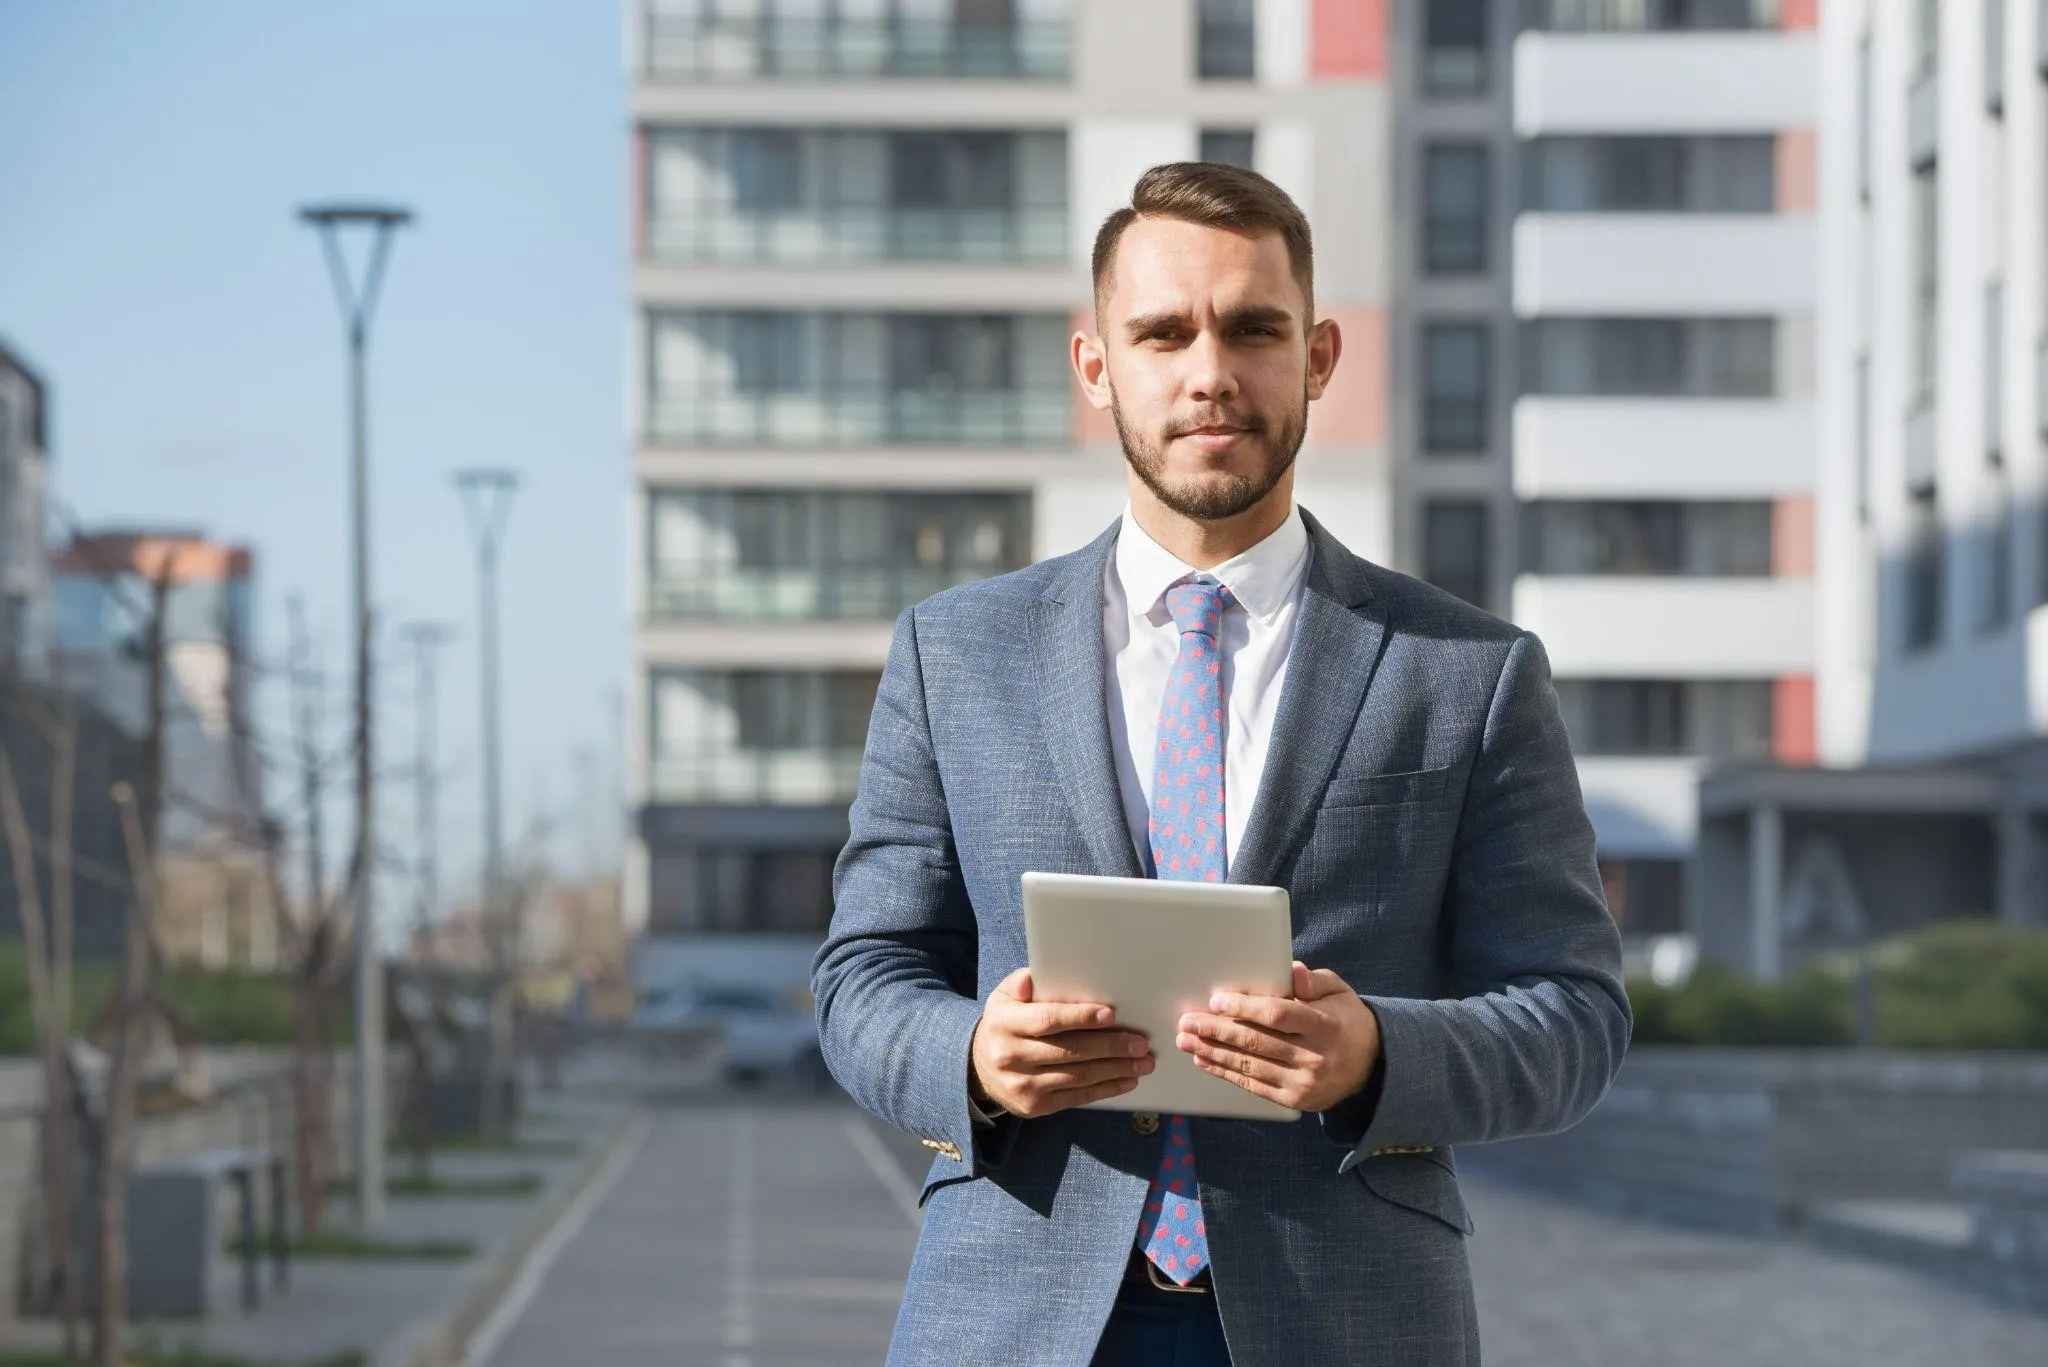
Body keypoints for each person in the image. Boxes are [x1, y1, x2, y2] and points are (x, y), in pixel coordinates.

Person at [812, 162, 1630, 1367]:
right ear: (1096, 366)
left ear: (1318, 356)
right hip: (1014, 1311)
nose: (1209, 372)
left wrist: (1377, 1056)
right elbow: (861, 976)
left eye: (1253, 328)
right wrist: (972, 1057)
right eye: (1161, 332)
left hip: (1347, 1314)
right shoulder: (955, 652)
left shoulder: (1467, 670)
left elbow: (1572, 1014)